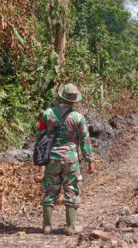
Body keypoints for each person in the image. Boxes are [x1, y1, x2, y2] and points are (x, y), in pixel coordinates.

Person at [36, 83, 95, 235]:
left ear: (61, 96)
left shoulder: (48, 113)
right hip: (71, 159)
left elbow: (40, 133)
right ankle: (71, 227)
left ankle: (47, 226)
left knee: (50, 189)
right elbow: (85, 140)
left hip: (52, 158)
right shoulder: (78, 118)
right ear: (74, 100)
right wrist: (90, 160)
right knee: (72, 189)